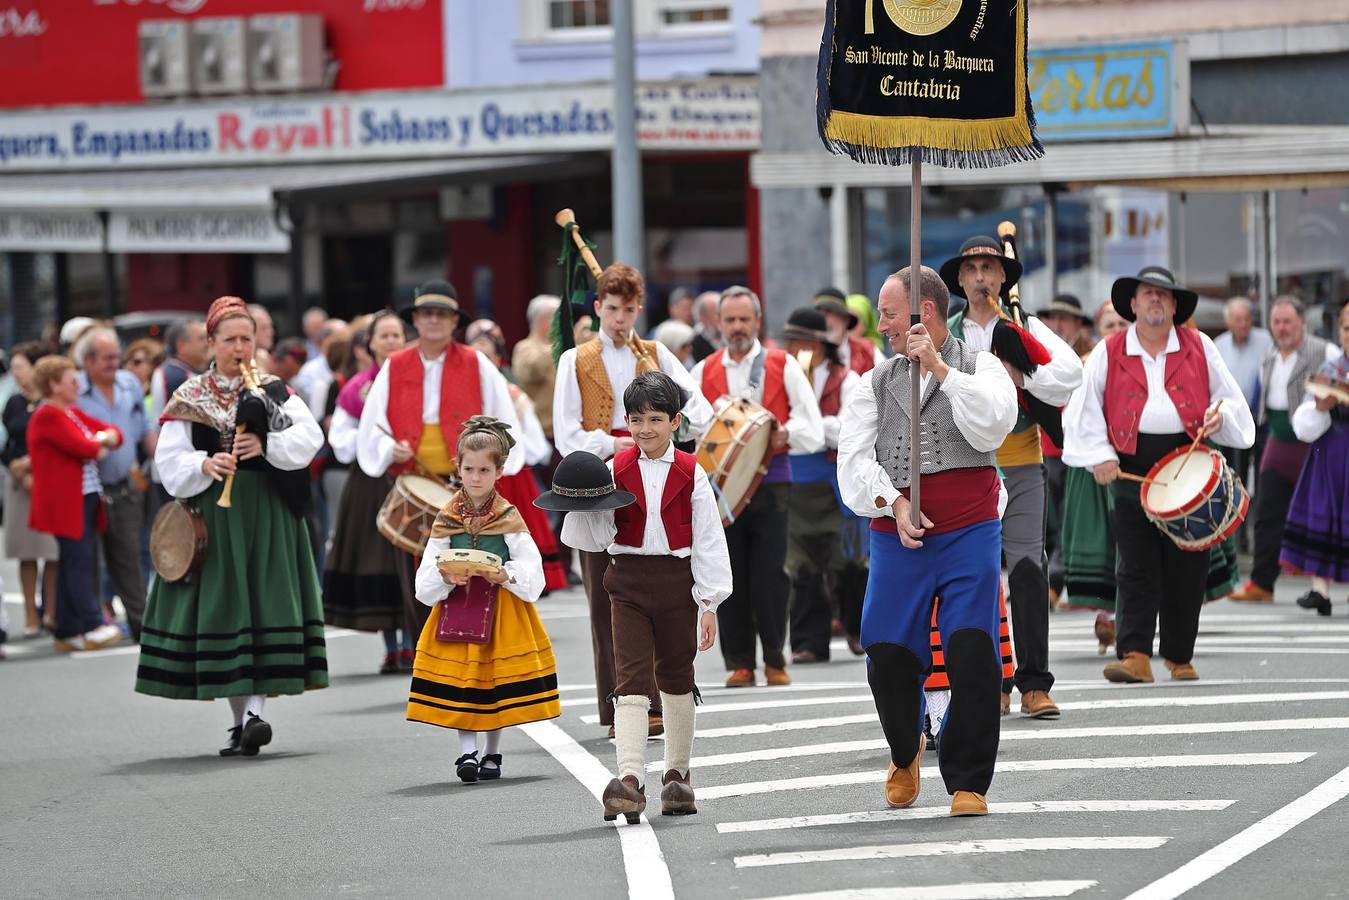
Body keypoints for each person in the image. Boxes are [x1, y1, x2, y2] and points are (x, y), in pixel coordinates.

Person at [837, 266, 1018, 817]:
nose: (882, 323)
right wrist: (892, 501)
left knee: (970, 648)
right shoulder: (872, 383)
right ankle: (904, 748)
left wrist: (939, 368)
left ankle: (968, 779)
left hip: (971, 528)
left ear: (926, 313)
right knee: (888, 650)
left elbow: (993, 428)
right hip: (899, 534)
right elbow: (852, 464)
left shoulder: (980, 365)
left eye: (888, 313)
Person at [134, 296, 328, 757]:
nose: (240, 347)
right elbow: (168, 460)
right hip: (215, 518)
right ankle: (241, 721)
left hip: (268, 513)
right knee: (228, 611)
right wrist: (205, 463)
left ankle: (255, 715)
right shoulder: (191, 395)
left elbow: (310, 438)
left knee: (263, 605)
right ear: (211, 343)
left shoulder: (273, 390)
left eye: (247, 338)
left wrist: (267, 444)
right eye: (230, 339)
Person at [554, 372, 731, 821]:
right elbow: (594, 537)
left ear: (676, 421)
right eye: (635, 420)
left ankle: (677, 775)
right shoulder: (613, 470)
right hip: (627, 583)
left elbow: (709, 541)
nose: (644, 429)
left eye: (655, 419)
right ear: (626, 423)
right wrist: (579, 500)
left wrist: (709, 604)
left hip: (677, 584)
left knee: (676, 675)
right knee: (630, 678)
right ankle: (630, 779)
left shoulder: (692, 474)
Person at [1064, 267, 1254, 684]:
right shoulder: (1109, 351)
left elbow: (1230, 401)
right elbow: (1085, 408)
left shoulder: (1200, 345)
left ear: (1173, 306)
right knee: (1134, 564)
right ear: (1132, 304)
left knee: (1188, 564)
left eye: (1163, 296)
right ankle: (1134, 654)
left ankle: (1179, 656)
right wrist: (1099, 455)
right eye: (1148, 294)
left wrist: (1218, 417)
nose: (1155, 301)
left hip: (1189, 461)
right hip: (1132, 464)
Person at [553, 262, 712, 734]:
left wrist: (670, 426)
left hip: (656, 474)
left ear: (638, 309)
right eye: (613, 309)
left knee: (664, 588)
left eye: (629, 309)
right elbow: (566, 433)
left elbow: (697, 407)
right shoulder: (575, 359)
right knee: (606, 596)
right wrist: (613, 442)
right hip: (600, 480)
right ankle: (619, 705)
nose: (620, 318)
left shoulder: (657, 352)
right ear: (598, 308)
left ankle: (659, 703)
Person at [942, 235, 1083, 718]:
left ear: (1004, 277)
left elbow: (1070, 374)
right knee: (978, 576)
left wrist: (1022, 373)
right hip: (966, 464)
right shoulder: (947, 334)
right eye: (972, 268)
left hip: (1021, 459)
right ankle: (993, 681)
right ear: (959, 279)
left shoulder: (1027, 325)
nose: (981, 276)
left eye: (989, 267)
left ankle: (1034, 684)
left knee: (1026, 569)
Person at [358, 280, 526, 632]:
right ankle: (424, 648)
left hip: (468, 488)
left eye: (441, 314)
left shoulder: (477, 363)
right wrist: (391, 448)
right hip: (413, 480)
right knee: (419, 579)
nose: (433, 321)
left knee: (470, 572)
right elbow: (371, 424)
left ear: (454, 322)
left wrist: (494, 462)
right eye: (426, 314)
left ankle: (470, 646)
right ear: (415, 320)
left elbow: (504, 419)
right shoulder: (395, 365)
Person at [409, 417, 561, 783]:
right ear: (457, 468)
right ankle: (467, 753)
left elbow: (530, 565)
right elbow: (429, 566)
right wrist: (444, 576)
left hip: (501, 609)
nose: (475, 477)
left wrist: (505, 574)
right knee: (465, 680)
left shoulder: (508, 515)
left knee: (495, 680)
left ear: (499, 471)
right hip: (458, 605)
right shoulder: (447, 517)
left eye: (484, 470)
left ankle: (492, 752)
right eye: (469, 469)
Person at [691, 286, 824, 688]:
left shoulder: (782, 365)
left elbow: (812, 426)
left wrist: (785, 435)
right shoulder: (703, 370)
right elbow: (693, 428)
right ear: (719, 323)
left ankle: (774, 658)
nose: (736, 327)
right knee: (726, 571)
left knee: (770, 573)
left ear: (757, 322)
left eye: (743, 320)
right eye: (729, 320)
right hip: (719, 489)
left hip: (772, 481)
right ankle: (739, 663)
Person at [1229, 296, 1341, 603]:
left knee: (1324, 511)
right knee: (1267, 513)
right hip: (1277, 437)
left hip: (1315, 442)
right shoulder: (1269, 355)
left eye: (1287, 321)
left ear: (1302, 323)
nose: (1282, 328)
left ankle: (1323, 582)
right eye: (1276, 322)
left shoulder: (1325, 351)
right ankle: (1263, 584)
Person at [323, 309, 417, 673]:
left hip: (413, 477)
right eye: (385, 336)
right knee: (377, 558)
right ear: (370, 344)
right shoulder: (356, 387)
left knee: (411, 556)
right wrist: (376, 446)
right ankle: (392, 646)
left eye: (397, 335)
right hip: (371, 484)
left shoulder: (416, 380)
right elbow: (340, 438)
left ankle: (414, 642)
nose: (392, 342)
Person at [26, 355, 124, 653]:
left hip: (84, 497)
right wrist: (100, 442)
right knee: (79, 560)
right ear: (53, 385)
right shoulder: (47, 416)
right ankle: (92, 624)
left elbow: (114, 434)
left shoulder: (69, 412)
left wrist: (101, 440)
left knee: (74, 560)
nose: (77, 384)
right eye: (71, 380)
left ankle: (66, 629)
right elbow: (86, 447)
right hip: (67, 501)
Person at [779, 307, 859, 664]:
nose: (795, 350)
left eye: (803, 342)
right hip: (795, 482)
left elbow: (848, 431)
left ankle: (859, 627)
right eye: (792, 342)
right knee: (800, 567)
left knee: (851, 561)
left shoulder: (849, 380)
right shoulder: (780, 378)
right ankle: (808, 641)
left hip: (833, 483)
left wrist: (810, 424)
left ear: (820, 345)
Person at [468, 318, 568, 593]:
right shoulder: (465, 391)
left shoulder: (512, 394)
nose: (481, 362)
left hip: (509, 477)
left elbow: (535, 446)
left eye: (486, 355)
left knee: (512, 544)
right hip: (471, 475)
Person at [73, 327, 155, 640]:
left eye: (116, 357)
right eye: (107, 358)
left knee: (130, 556)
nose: (113, 363)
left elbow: (144, 428)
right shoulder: (75, 388)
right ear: (88, 360)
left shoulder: (129, 383)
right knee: (90, 558)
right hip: (90, 488)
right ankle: (93, 624)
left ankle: (141, 625)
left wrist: (160, 463)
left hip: (125, 483)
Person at [1281, 302, 1349, 615]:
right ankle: (1320, 590)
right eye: (1347, 328)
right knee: (1325, 514)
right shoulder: (1331, 369)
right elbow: (1305, 421)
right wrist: (1322, 406)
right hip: (1331, 450)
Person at [2, 343, 60, 636]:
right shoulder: (12, 401)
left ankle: (50, 611)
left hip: (48, 480)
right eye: (13, 368)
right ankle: (29, 615)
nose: (16, 373)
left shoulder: (51, 400)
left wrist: (31, 462)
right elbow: (6, 442)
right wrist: (16, 465)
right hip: (19, 483)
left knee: (50, 550)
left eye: (20, 366)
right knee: (26, 552)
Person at [512, 295, 561, 442]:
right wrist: (555, 346)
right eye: (558, 316)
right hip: (540, 433)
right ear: (542, 319)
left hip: (561, 431)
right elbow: (531, 372)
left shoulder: (562, 347)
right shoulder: (525, 348)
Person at [814, 287, 887, 375]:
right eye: (818, 314)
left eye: (828, 313)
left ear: (845, 319)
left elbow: (887, 380)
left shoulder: (868, 351)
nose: (822, 320)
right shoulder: (810, 353)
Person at [691, 290, 723, 362]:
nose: (721, 318)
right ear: (703, 318)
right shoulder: (692, 343)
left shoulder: (730, 338)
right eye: (716, 314)